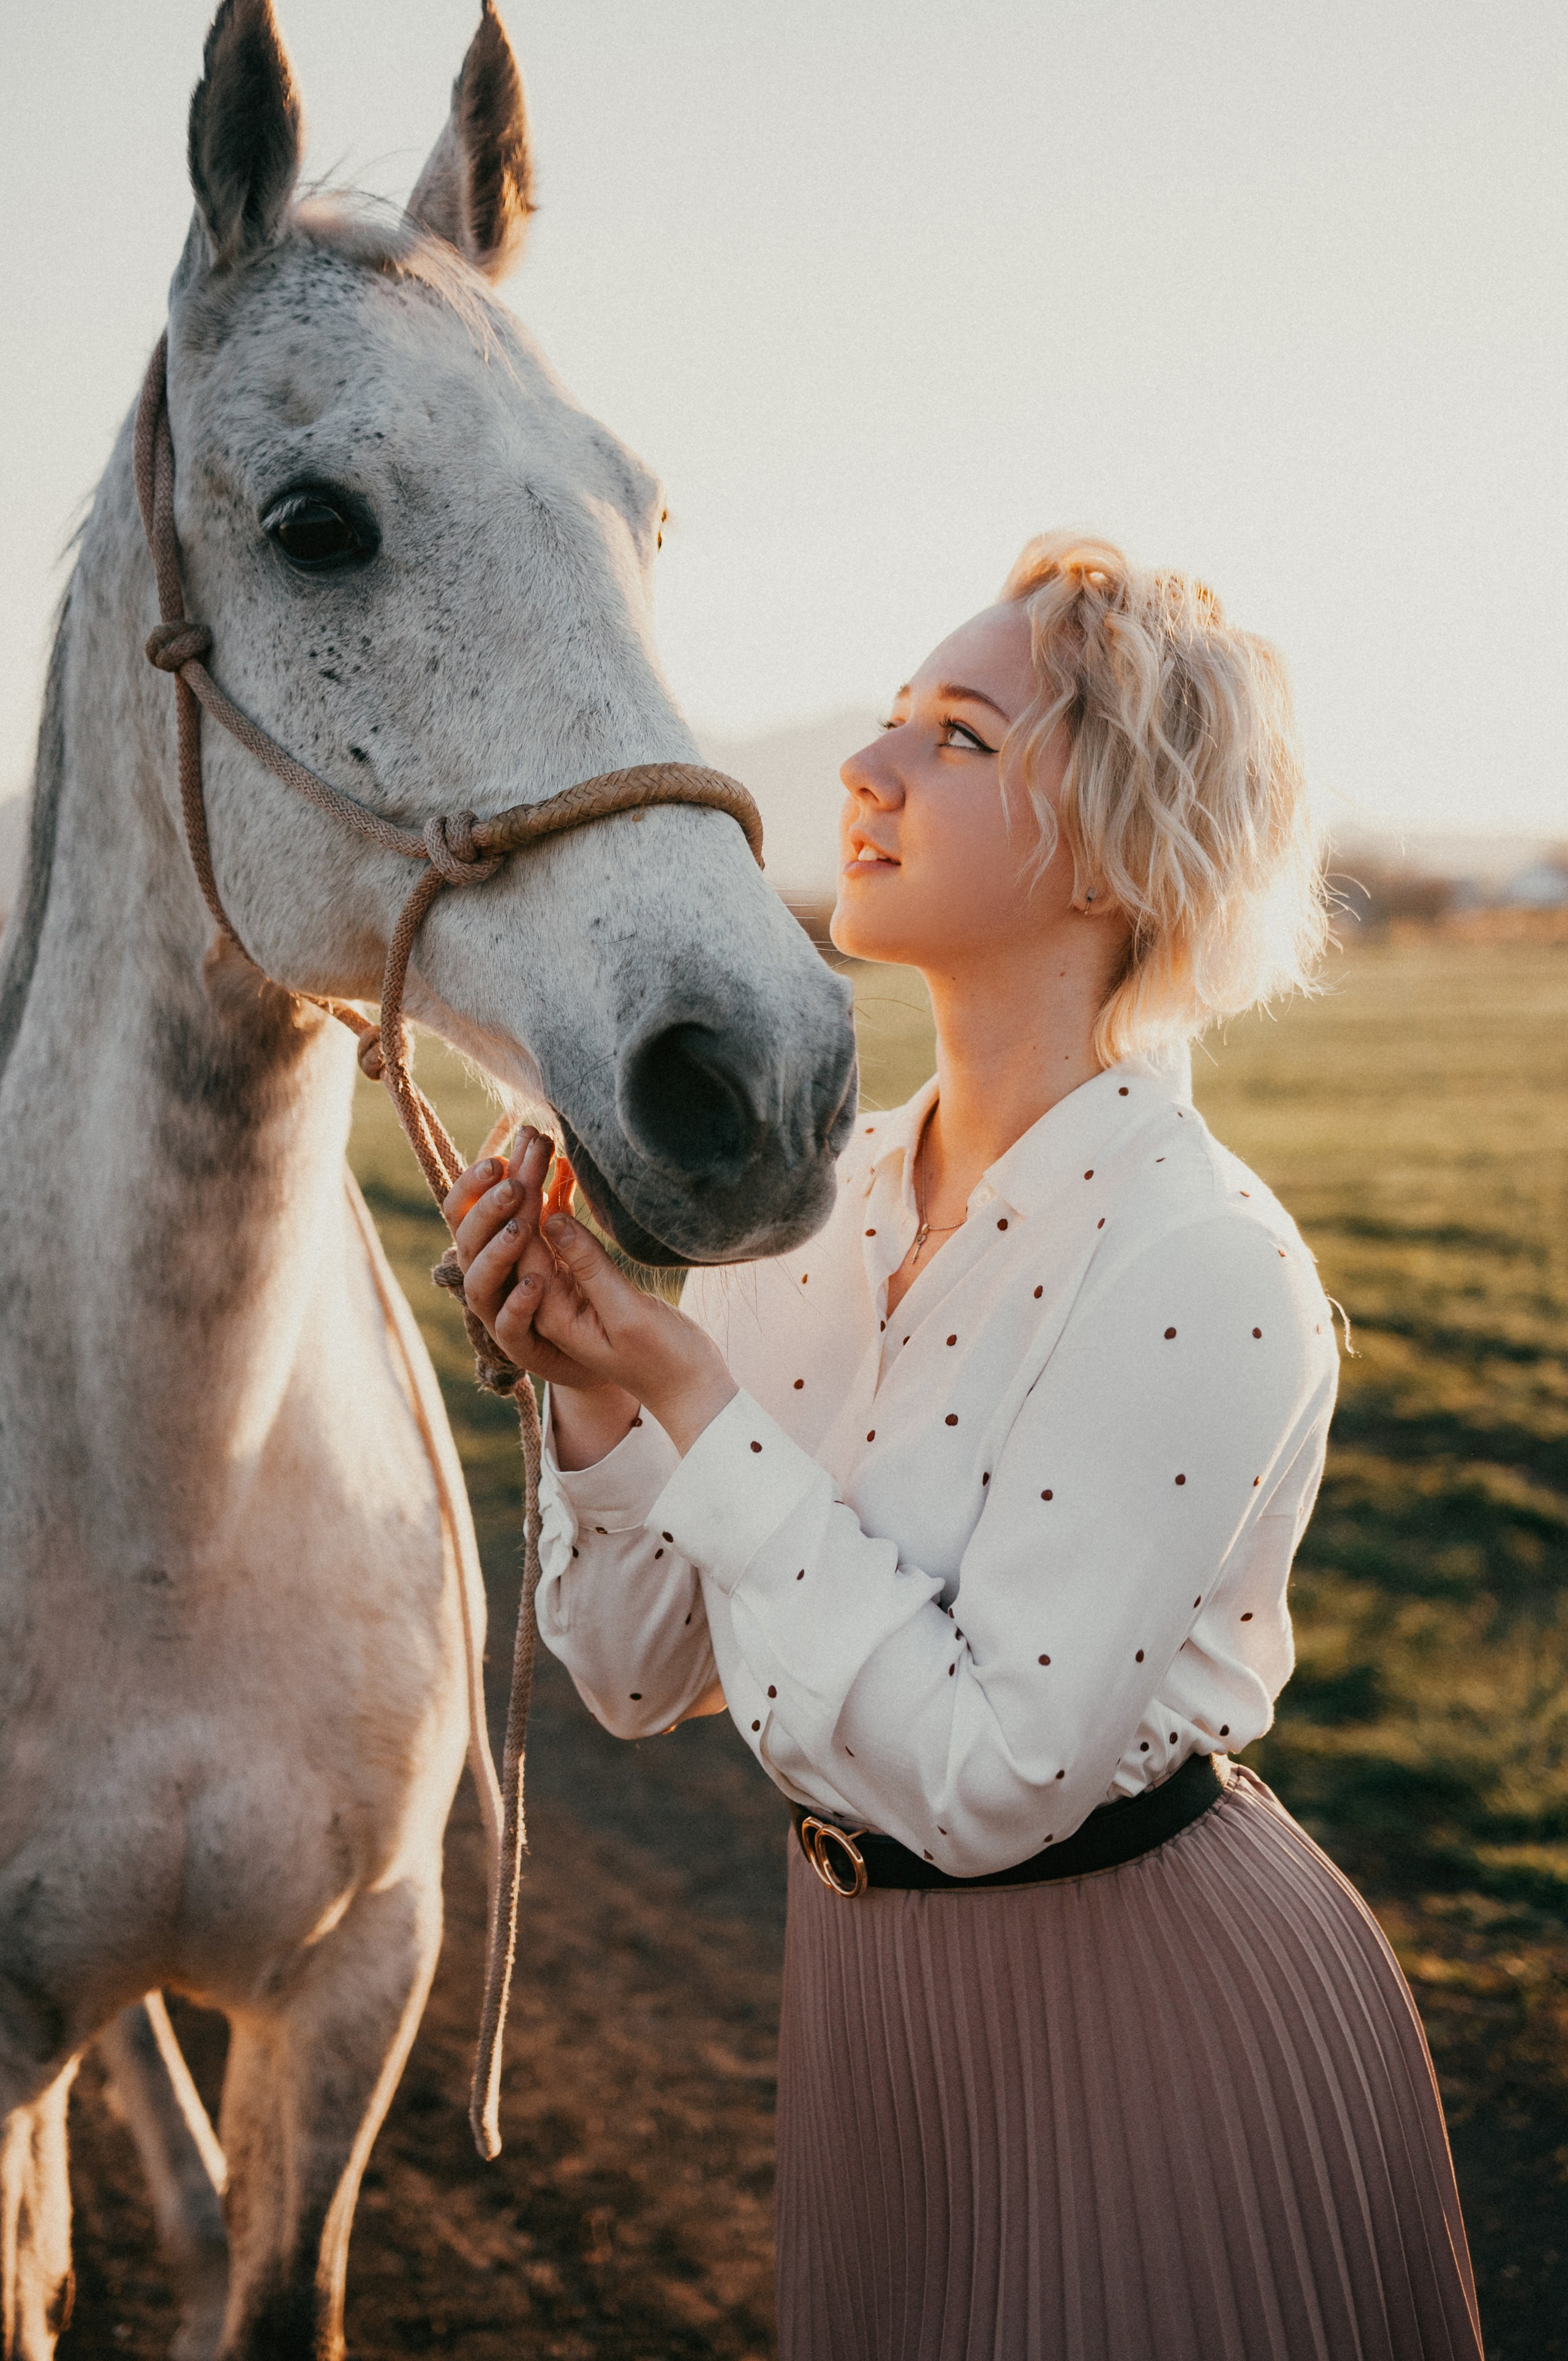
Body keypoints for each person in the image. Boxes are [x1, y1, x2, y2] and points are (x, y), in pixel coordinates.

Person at [444, 533, 1483, 2360]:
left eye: (961, 738)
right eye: (889, 719)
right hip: (870, 2042)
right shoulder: (815, 1208)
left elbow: (994, 1776)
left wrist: (692, 1395)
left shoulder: (1203, 1265)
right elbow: (627, 1674)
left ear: (1118, 845)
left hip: (1157, 2031)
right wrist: (598, 1390)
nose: (864, 769)